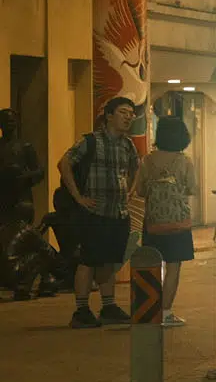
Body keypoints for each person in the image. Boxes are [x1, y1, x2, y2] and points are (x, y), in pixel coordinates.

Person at [57, 96, 141, 328]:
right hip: (94, 212)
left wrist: (130, 192)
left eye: (131, 114)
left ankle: (109, 306)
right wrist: (78, 197)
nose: (128, 117)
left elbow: (137, 166)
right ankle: (82, 310)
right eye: (124, 112)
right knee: (88, 260)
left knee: (109, 261)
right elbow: (64, 163)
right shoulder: (91, 141)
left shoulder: (127, 144)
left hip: (119, 213)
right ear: (109, 116)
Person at [130, 115, 197, 328]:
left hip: (153, 222)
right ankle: (166, 312)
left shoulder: (147, 161)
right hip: (178, 224)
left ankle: (150, 311)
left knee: (151, 264)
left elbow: (140, 191)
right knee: (173, 267)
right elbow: (192, 188)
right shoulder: (184, 161)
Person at [0, 108, 45, 226]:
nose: (10, 124)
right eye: (6, 121)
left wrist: (24, 177)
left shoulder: (25, 146)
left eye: (12, 121)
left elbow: (40, 172)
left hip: (21, 198)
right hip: (3, 199)